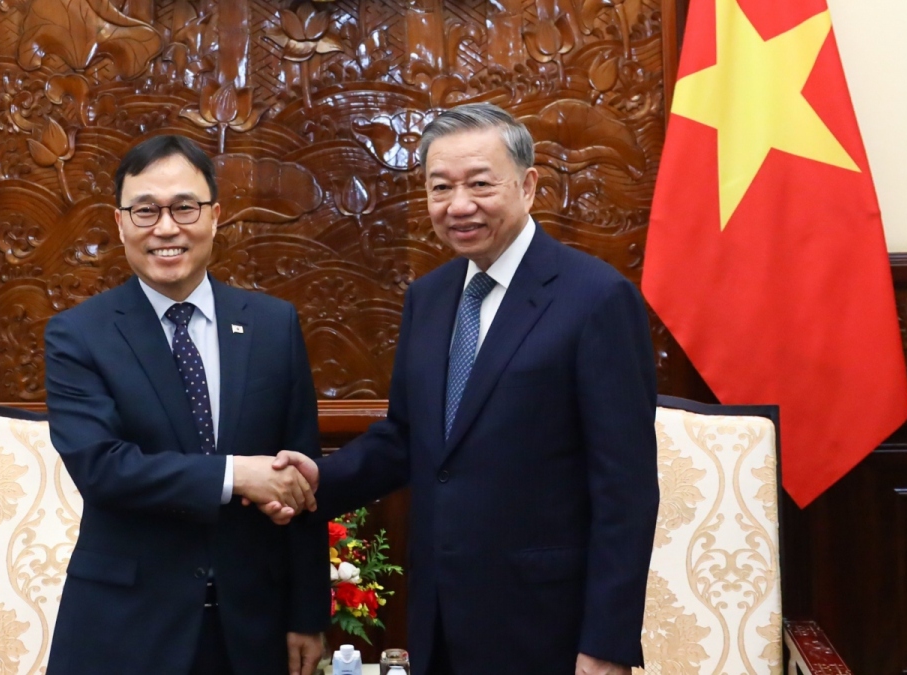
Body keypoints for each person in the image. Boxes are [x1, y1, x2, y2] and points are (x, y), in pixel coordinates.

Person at [262, 104, 659, 674]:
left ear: (527, 186)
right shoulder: (430, 296)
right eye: (440, 187)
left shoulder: (595, 298)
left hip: (548, 627)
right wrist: (318, 480)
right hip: (439, 620)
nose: (459, 205)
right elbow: (407, 437)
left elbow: (627, 489)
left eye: (479, 184)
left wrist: (606, 644)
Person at [44, 135, 329, 675]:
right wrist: (235, 475)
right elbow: (103, 469)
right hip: (125, 626)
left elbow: (300, 482)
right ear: (120, 222)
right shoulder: (78, 335)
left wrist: (308, 614)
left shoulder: (273, 326)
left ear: (215, 215)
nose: (167, 228)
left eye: (184, 207)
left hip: (253, 629)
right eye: (145, 210)